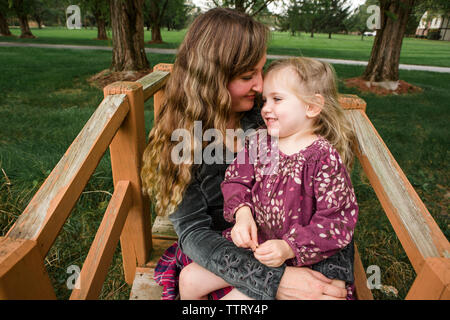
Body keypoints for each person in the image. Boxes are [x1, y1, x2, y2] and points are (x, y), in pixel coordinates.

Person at [142, 8, 353, 300]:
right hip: (223, 254)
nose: (260, 84)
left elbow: (330, 209)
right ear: (210, 79)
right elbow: (194, 233)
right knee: (193, 283)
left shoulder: (274, 120)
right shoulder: (181, 140)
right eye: (246, 75)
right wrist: (276, 279)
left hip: (291, 246)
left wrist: (333, 277)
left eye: (260, 70)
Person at [178, 57, 358, 300]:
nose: (265, 108)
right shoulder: (260, 141)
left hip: (302, 258)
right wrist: (242, 215)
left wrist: (289, 247)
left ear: (312, 107)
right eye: (265, 101)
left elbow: (336, 221)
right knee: (188, 279)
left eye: (277, 99)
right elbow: (236, 180)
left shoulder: (323, 158)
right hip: (256, 247)